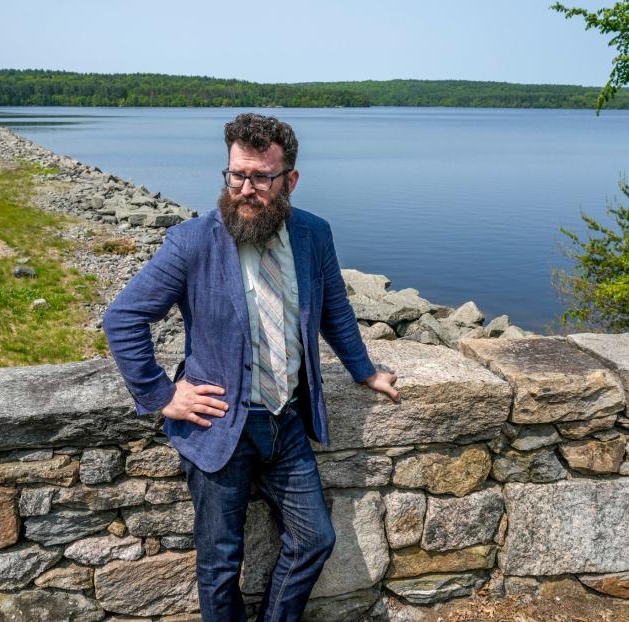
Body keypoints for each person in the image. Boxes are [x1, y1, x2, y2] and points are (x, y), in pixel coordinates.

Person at [103, 112, 400, 622]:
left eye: (260, 178)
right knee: (220, 562)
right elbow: (123, 318)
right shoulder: (192, 242)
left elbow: (335, 311)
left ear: (289, 180)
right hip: (219, 426)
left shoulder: (312, 235)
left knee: (315, 540)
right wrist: (161, 395)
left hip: (285, 424)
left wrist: (365, 370)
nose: (245, 188)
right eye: (236, 175)